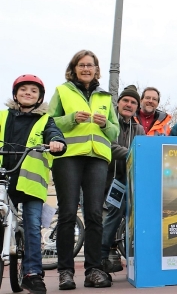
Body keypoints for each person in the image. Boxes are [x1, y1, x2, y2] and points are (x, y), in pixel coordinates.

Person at [48, 49, 119, 289]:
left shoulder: (106, 97)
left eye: (90, 65)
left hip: (97, 159)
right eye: (82, 65)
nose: (86, 69)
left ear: (97, 70)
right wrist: (70, 119)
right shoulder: (62, 91)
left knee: (94, 215)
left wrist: (105, 123)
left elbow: (115, 132)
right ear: (74, 68)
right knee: (68, 213)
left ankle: (93, 270)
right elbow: (48, 122)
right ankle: (65, 272)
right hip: (68, 157)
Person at [1, 74, 67, 294]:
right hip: (4, 179)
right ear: (15, 94)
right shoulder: (3, 116)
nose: (28, 93)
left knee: (32, 226)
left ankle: (31, 274)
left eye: (33, 91)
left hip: (30, 184)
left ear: (40, 98)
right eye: (23, 89)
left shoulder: (45, 119)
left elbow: (53, 132)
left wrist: (56, 142)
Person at [101, 85, 145, 274]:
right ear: (118, 103)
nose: (129, 104)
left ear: (137, 107)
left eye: (133, 102)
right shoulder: (110, 124)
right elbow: (109, 146)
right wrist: (132, 153)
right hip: (106, 179)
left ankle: (135, 258)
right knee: (112, 216)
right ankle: (100, 256)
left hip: (128, 181)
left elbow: (144, 152)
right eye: (125, 100)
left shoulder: (139, 128)